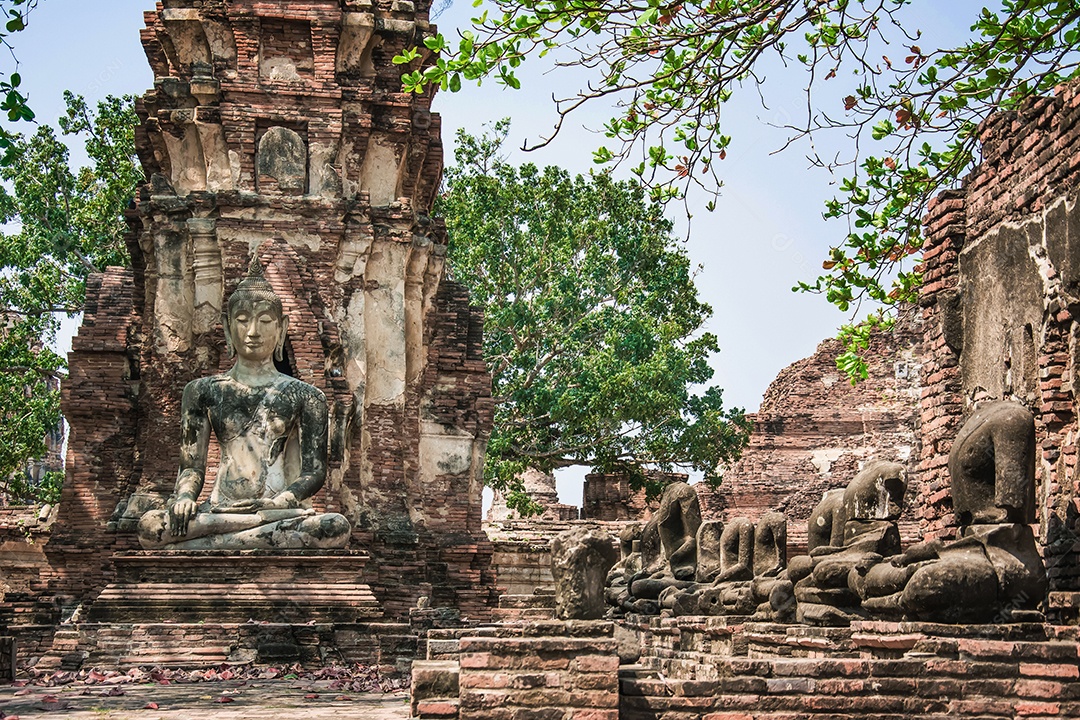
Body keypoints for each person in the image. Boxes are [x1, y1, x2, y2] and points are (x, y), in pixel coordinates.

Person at [137, 254, 351, 550]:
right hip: (220, 510)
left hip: (276, 509)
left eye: (265, 321)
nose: (253, 332)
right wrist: (185, 497)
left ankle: (220, 540)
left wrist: (280, 502)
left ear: (282, 328)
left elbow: (313, 473)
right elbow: (192, 468)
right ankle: (247, 534)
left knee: (333, 527)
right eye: (242, 320)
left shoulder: (307, 396)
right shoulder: (202, 391)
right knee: (150, 527)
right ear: (227, 327)